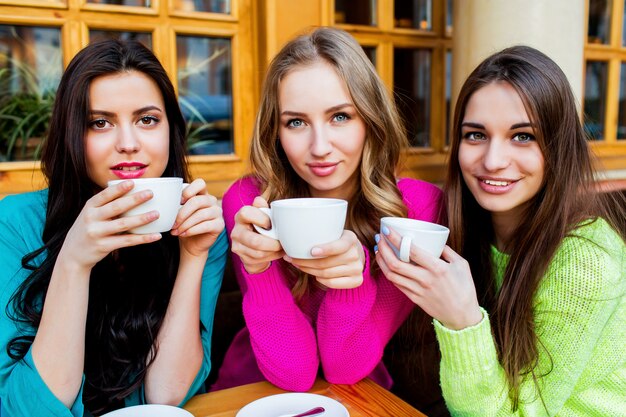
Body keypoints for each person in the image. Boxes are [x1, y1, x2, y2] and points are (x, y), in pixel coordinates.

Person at [377, 45, 626, 416]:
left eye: (523, 136)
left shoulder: (585, 261)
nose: (493, 161)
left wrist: (462, 321)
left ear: (558, 147)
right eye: (475, 135)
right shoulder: (468, 228)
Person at [0, 40, 228, 416]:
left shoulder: (197, 227)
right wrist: (74, 261)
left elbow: (165, 398)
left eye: (147, 120)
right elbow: (27, 410)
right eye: (100, 123)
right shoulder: (13, 224)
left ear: (171, 131)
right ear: (72, 133)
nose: (128, 144)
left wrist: (193, 256)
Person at [211, 27, 444, 393]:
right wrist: (258, 269)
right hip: (251, 391)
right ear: (275, 131)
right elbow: (293, 373)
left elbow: (344, 367)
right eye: (296, 122)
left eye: (340, 117)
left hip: (358, 396)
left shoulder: (417, 209)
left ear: (371, 118)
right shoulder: (250, 199)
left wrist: (354, 280)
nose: (319, 147)